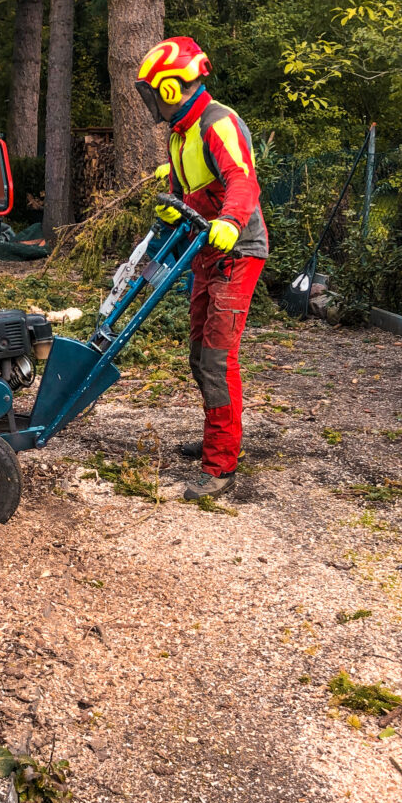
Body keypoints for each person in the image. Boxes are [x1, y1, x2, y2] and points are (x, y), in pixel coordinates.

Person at [135, 37, 268, 501]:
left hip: (237, 250)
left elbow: (241, 179)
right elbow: (185, 190)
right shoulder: (179, 134)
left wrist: (231, 221)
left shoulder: (219, 122)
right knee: (197, 353)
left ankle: (221, 466)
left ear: (172, 88)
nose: (151, 101)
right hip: (205, 252)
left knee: (216, 357)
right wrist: (173, 211)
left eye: (153, 91)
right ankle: (219, 437)